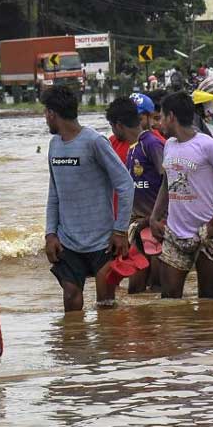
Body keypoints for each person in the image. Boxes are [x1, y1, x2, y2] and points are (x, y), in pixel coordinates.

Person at [43, 86, 133, 312]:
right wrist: (50, 234)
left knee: (105, 304)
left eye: (46, 113)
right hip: (68, 241)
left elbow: (125, 184)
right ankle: (75, 344)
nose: (45, 118)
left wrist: (120, 230)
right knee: (71, 298)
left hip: (102, 240)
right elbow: (54, 193)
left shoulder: (95, 142)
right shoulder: (54, 146)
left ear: (53, 113)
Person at [148, 92, 213, 300]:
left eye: (162, 117)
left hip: (205, 234)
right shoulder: (169, 145)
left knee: (208, 301)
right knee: (170, 301)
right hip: (174, 234)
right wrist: (154, 217)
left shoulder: (207, 145)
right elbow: (168, 182)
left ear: (171, 116)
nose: (159, 123)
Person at [106, 97, 165, 292]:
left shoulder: (152, 144)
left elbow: (170, 181)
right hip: (138, 225)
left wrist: (152, 218)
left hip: (156, 225)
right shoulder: (133, 147)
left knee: (158, 286)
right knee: (136, 291)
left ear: (118, 125)